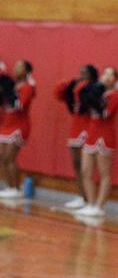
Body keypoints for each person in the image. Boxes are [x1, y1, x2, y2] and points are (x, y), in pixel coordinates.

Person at [77, 66, 117, 217]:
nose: (107, 77)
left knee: (104, 172)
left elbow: (105, 114)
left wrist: (95, 99)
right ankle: (90, 203)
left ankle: (99, 207)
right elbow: (83, 109)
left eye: (111, 75)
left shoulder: (114, 95)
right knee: (86, 170)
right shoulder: (97, 90)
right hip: (92, 133)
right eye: (105, 73)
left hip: (105, 135)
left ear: (115, 80)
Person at [56, 64, 97, 210]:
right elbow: (59, 96)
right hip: (75, 126)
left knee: (86, 167)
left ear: (92, 75)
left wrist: (80, 88)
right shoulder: (75, 87)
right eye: (80, 72)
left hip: (88, 127)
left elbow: (89, 103)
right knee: (76, 164)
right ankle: (81, 196)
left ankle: (89, 199)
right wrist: (64, 85)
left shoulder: (94, 88)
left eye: (85, 73)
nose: (82, 75)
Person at [0, 60, 35, 199]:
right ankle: (8, 186)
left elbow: (20, 105)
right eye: (15, 66)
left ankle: (16, 188)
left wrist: (9, 93)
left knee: (10, 158)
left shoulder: (28, 87)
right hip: (7, 123)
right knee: (2, 157)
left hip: (19, 125)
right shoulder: (13, 85)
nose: (16, 69)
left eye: (19, 67)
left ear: (27, 71)